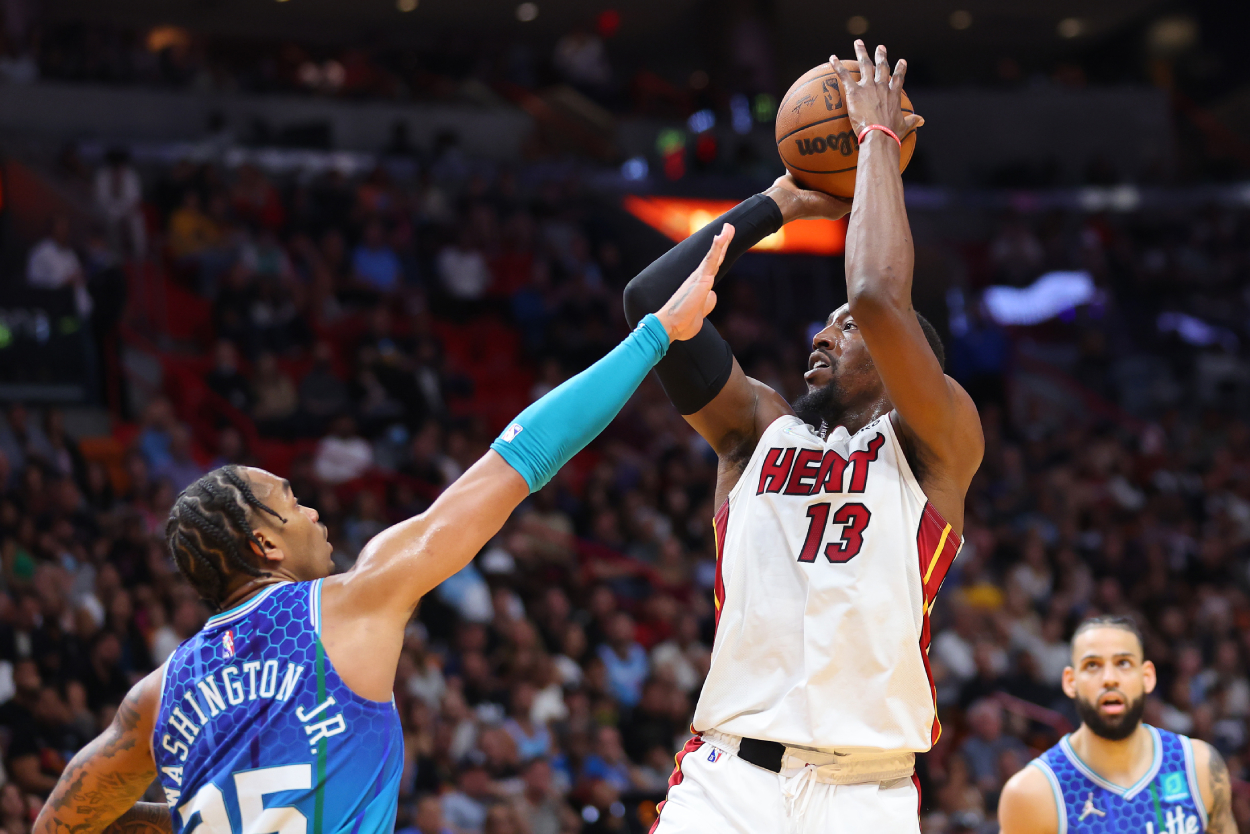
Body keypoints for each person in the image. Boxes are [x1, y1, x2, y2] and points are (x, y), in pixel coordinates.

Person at [28, 225, 732, 834]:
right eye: (292, 501)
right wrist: (656, 335)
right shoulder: (352, 601)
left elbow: (59, 824)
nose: (313, 511)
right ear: (264, 545)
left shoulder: (157, 695)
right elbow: (521, 458)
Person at [623, 41, 981, 832]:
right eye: (823, 324)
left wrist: (878, 141)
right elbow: (653, 302)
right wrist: (776, 203)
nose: (823, 333)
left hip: (865, 794)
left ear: (903, 362)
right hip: (725, 781)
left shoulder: (936, 442)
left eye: (844, 329)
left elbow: (880, 295)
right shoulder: (756, 432)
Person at [998, 616, 1237, 834]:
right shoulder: (1032, 792)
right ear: (1071, 682)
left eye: (1123, 663)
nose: (1109, 678)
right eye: (1092, 665)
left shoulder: (1199, 765)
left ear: (1147, 678)